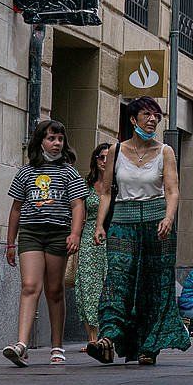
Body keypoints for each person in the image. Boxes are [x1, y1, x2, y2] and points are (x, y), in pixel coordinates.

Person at [90, 97, 190, 366]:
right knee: (117, 280)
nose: (152, 120)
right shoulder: (116, 150)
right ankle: (108, 337)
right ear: (133, 120)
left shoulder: (165, 151)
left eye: (156, 116)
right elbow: (107, 191)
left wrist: (169, 217)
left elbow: (172, 190)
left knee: (153, 284)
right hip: (123, 221)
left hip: (157, 223)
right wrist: (100, 224)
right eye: (146, 114)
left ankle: (149, 345)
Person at [2, 119, 87, 367]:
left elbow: (78, 205)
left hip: (58, 233)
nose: (56, 143)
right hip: (30, 233)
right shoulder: (26, 172)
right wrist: (10, 243)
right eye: (51, 139)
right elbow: (16, 209)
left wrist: (75, 234)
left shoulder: (68, 172)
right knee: (29, 286)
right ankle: (21, 345)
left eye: (60, 139)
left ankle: (57, 345)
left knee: (55, 290)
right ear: (40, 141)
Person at [75, 143, 110, 352]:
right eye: (101, 157)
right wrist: (75, 237)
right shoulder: (86, 184)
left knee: (107, 285)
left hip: (111, 236)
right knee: (87, 285)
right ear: (95, 160)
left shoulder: (116, 184)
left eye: (108, 157)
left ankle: (107, 336)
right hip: (89, 237)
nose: (105, 161)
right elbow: (78, 213)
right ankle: (92, 337)